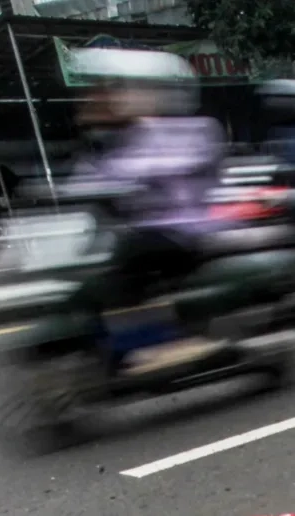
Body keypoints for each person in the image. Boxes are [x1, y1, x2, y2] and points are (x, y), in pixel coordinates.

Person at [67, 48, 224, 317]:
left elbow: (146, 167)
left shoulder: (196, 129)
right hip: (143, 234)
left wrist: (118, 181)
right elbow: (96, 176)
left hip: (181, 233)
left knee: (118, 271)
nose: (106, 97)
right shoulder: (128, 133)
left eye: (117, 88)